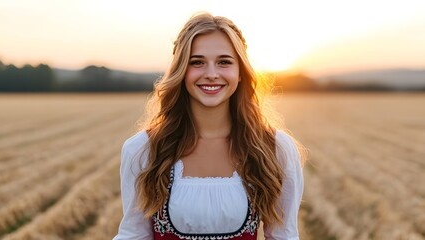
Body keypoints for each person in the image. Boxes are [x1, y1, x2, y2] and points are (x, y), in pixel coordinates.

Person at [114, 12, 305, 240]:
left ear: (240, 73)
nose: (211, 74)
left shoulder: (275, 149)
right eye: (197, 62)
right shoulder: (143, 149)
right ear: (181, 71)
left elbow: (284, 236)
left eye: (224, 62)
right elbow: (133, 235)